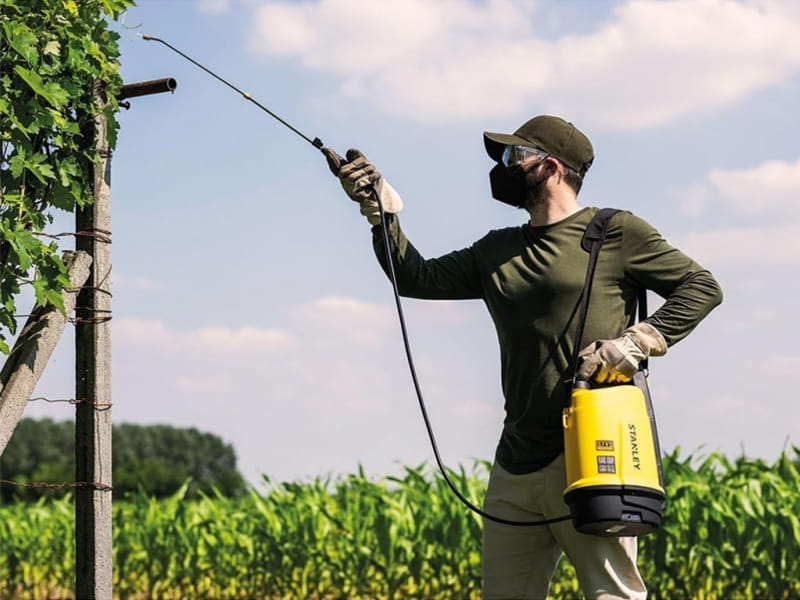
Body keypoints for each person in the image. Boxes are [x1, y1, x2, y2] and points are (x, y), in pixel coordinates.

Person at [322, 115, 723, 600]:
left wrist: (635, 344)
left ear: (551, 167)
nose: (504, 167)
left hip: (592, 453)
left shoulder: (615, 231)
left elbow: (702, 287)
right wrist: (380, 208)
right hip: (514, 460)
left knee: (610, 596)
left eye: (516, 156)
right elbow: (416, 278)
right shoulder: (498, 249)